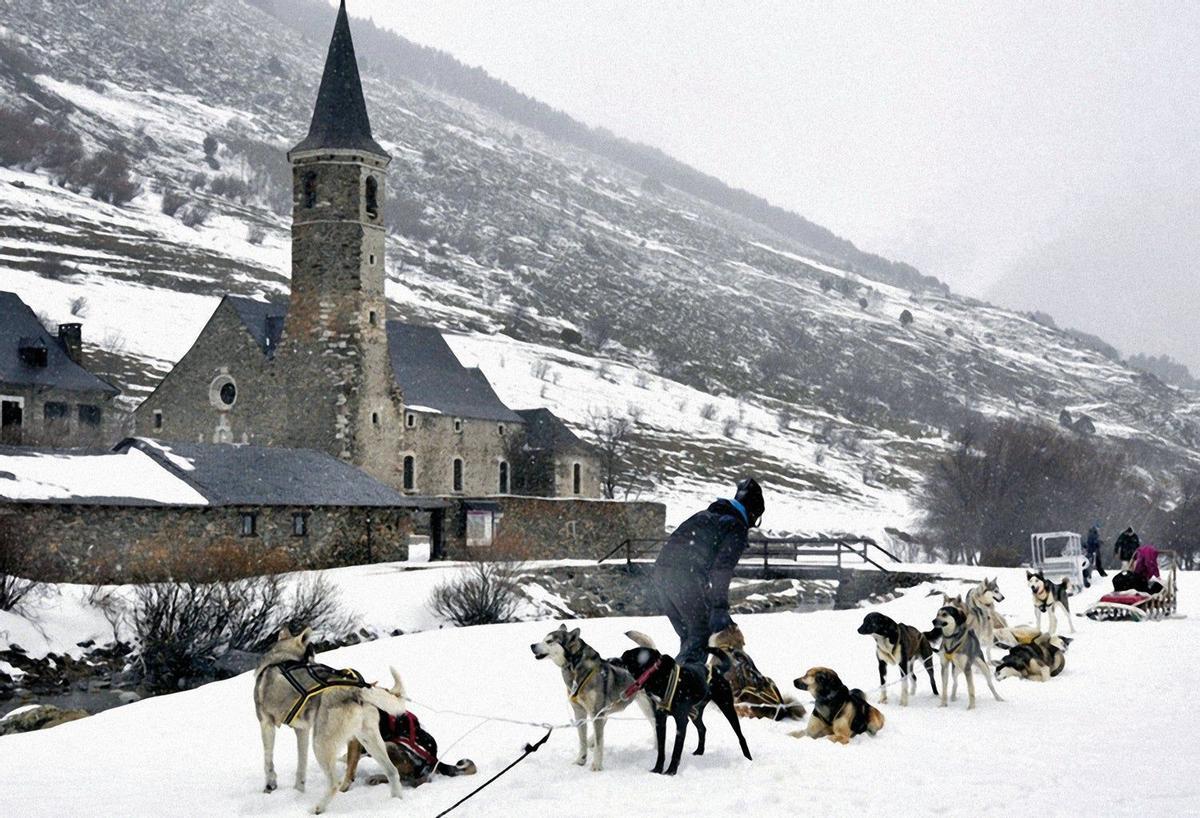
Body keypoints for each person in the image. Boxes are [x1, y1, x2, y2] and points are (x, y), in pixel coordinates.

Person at [654, 478, 764, 667]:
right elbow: (721, 569)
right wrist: (719, 607)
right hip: (684, 577)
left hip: (660, 575)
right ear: (752, 513)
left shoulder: (705, 515)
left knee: (690, 636)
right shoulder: (735, 525)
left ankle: (679, 681)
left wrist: (707, 596)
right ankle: (679, 688)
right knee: (700, 635)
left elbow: (692, 553)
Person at [1082, 522, 1106, 587]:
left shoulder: (1092, 533)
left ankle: (1092, 575)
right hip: (1092, 551)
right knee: (1093, 563)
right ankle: (1090, 576)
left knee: (1093, 563)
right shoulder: (1094, 533)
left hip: (1091, 551)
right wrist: (1098, 543)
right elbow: (1092, 541)